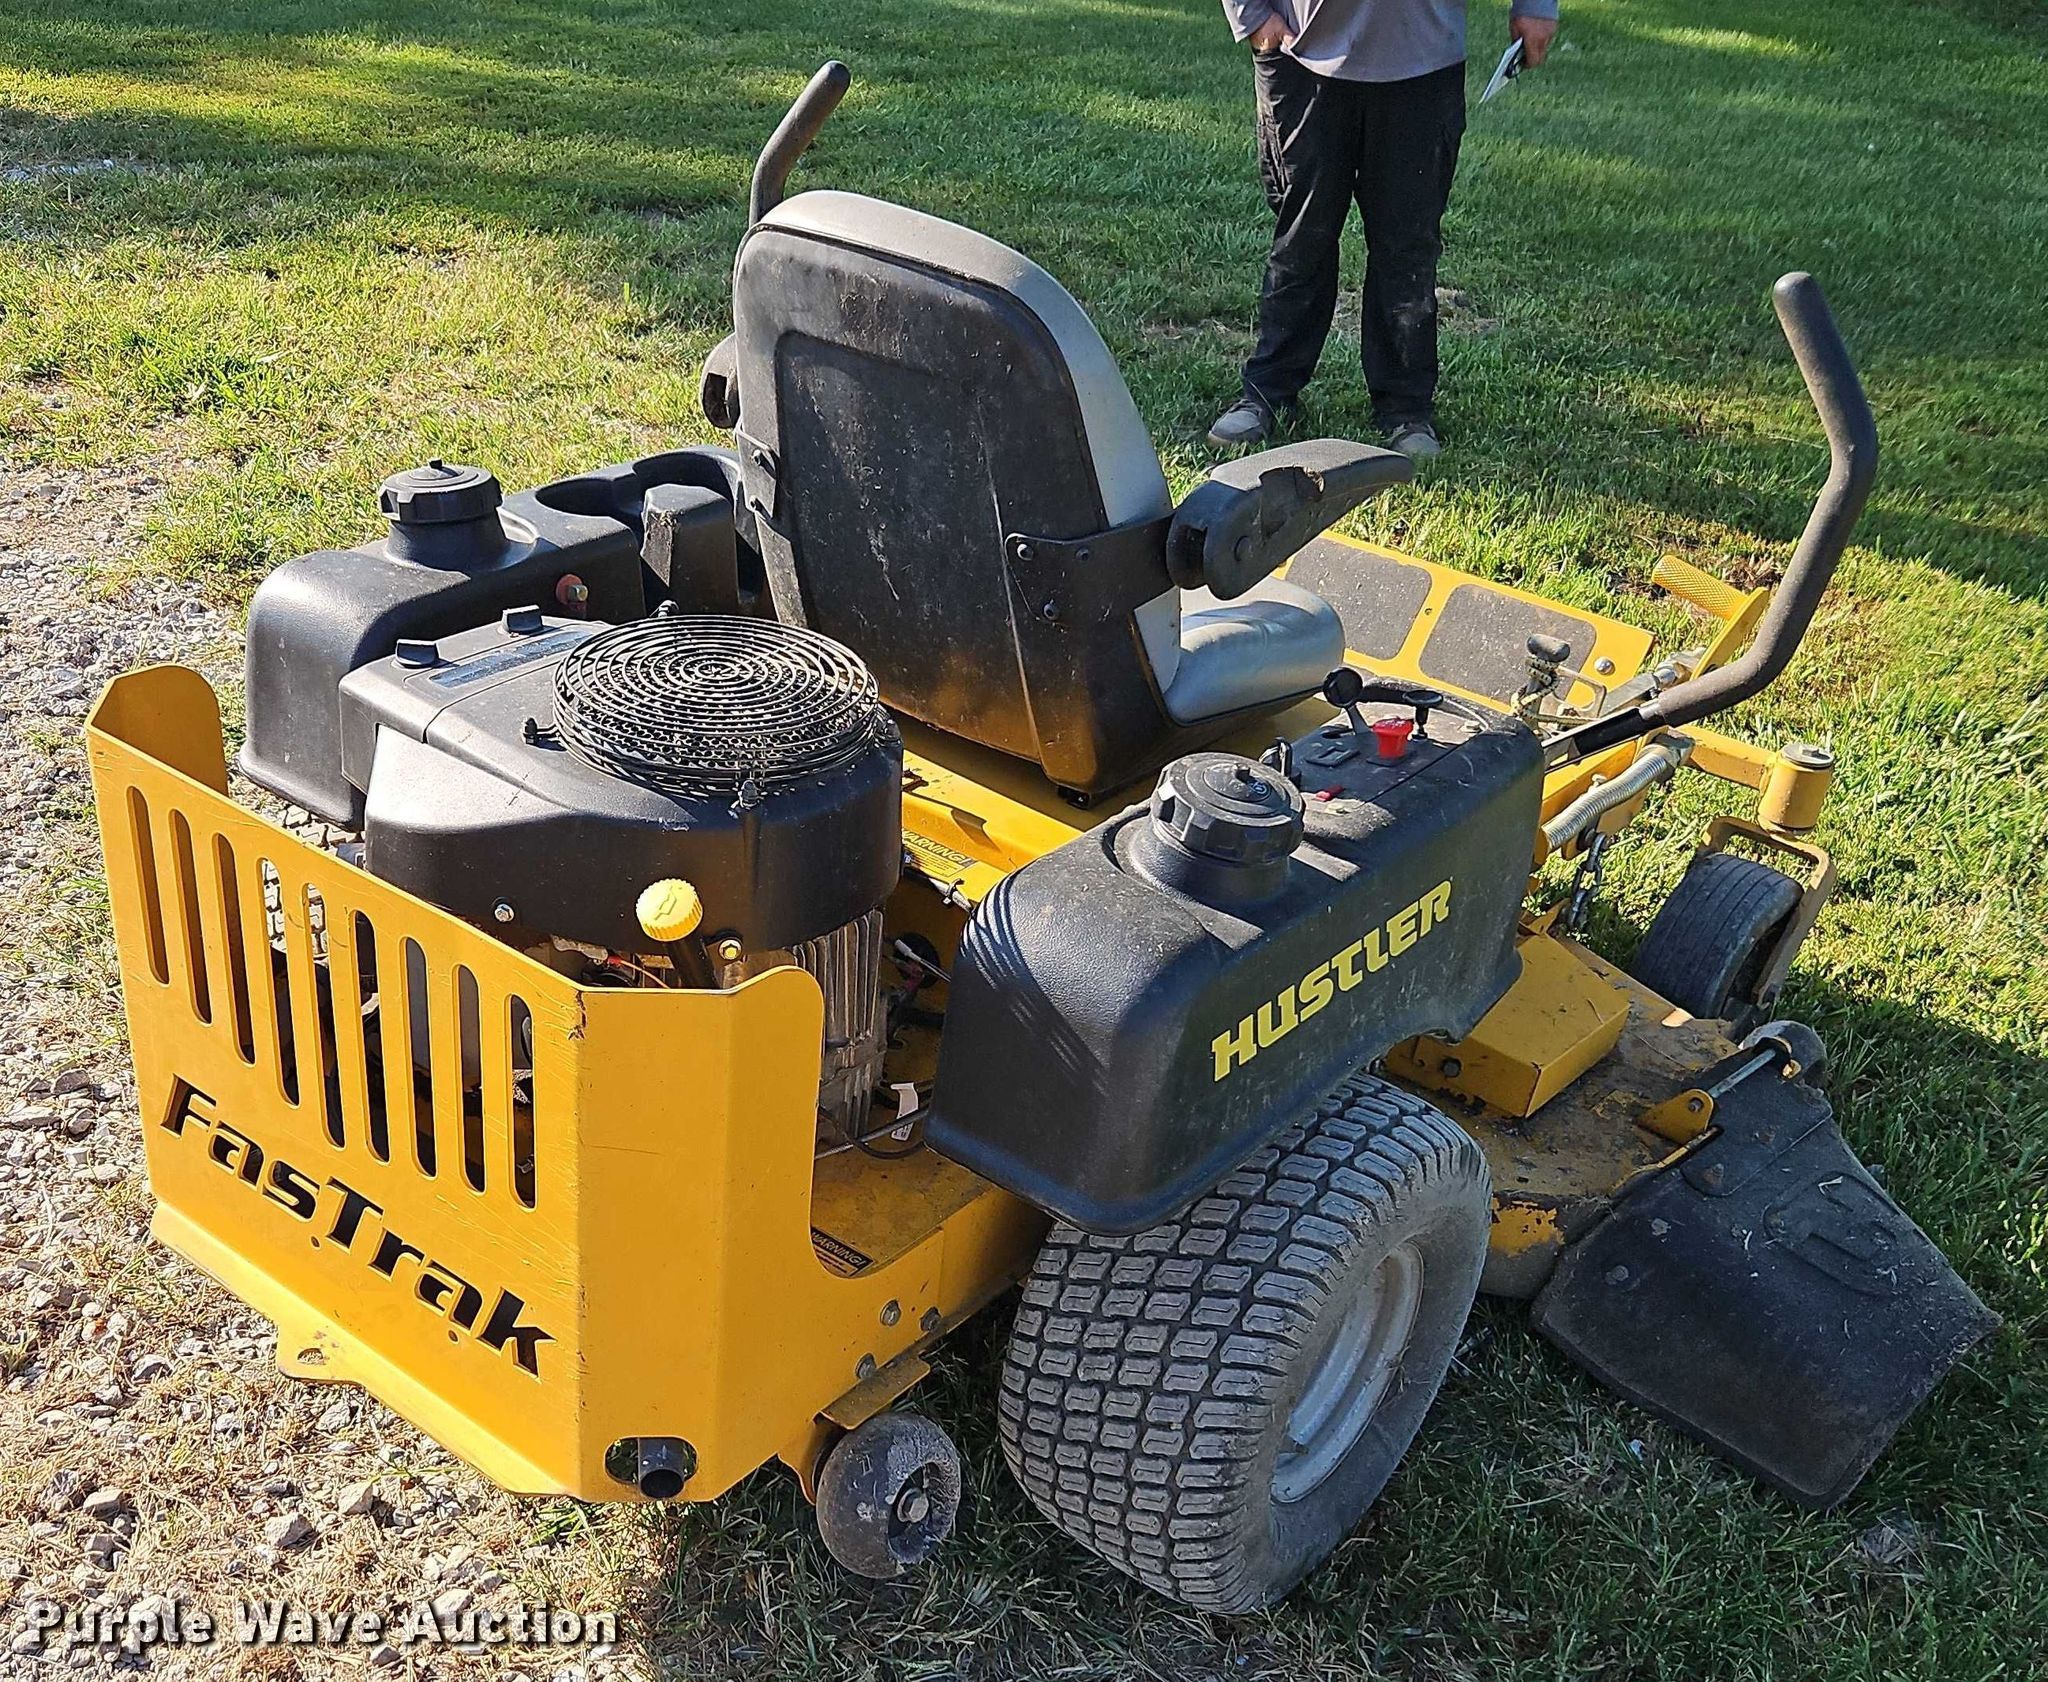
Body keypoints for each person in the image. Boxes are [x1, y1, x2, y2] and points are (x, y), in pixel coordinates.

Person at [1209, 0, 1558, 458]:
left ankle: (1405, 408)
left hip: (1424, 63)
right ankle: (1267, 393)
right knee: (1302, 239)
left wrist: (1536, 5)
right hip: (1300, 57)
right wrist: (1254, 17)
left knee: (1407, 248)